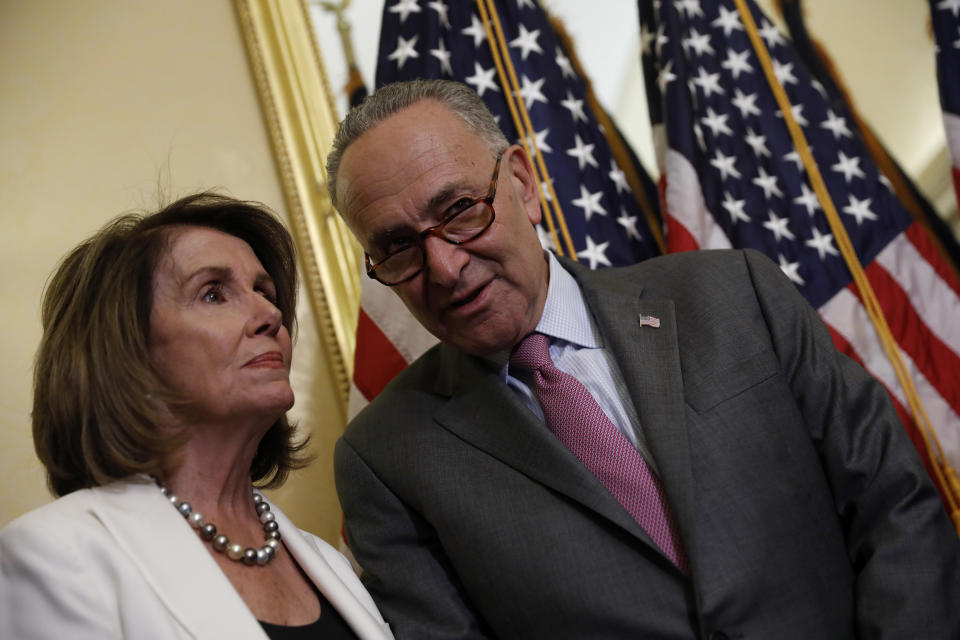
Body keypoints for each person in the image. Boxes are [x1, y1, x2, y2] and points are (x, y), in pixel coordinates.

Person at [326, 79, 960, 639]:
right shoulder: (385, 460)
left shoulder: (734, 294)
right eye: (398, 247)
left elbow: (893, 505)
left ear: (521, 183)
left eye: (460, 210)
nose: (444, 266)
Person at [0, 193, 393, 640]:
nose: (270, 313)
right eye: (213, 293)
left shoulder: (330, 565)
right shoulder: (59, 556)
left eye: (263, 292)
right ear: (126, 353)